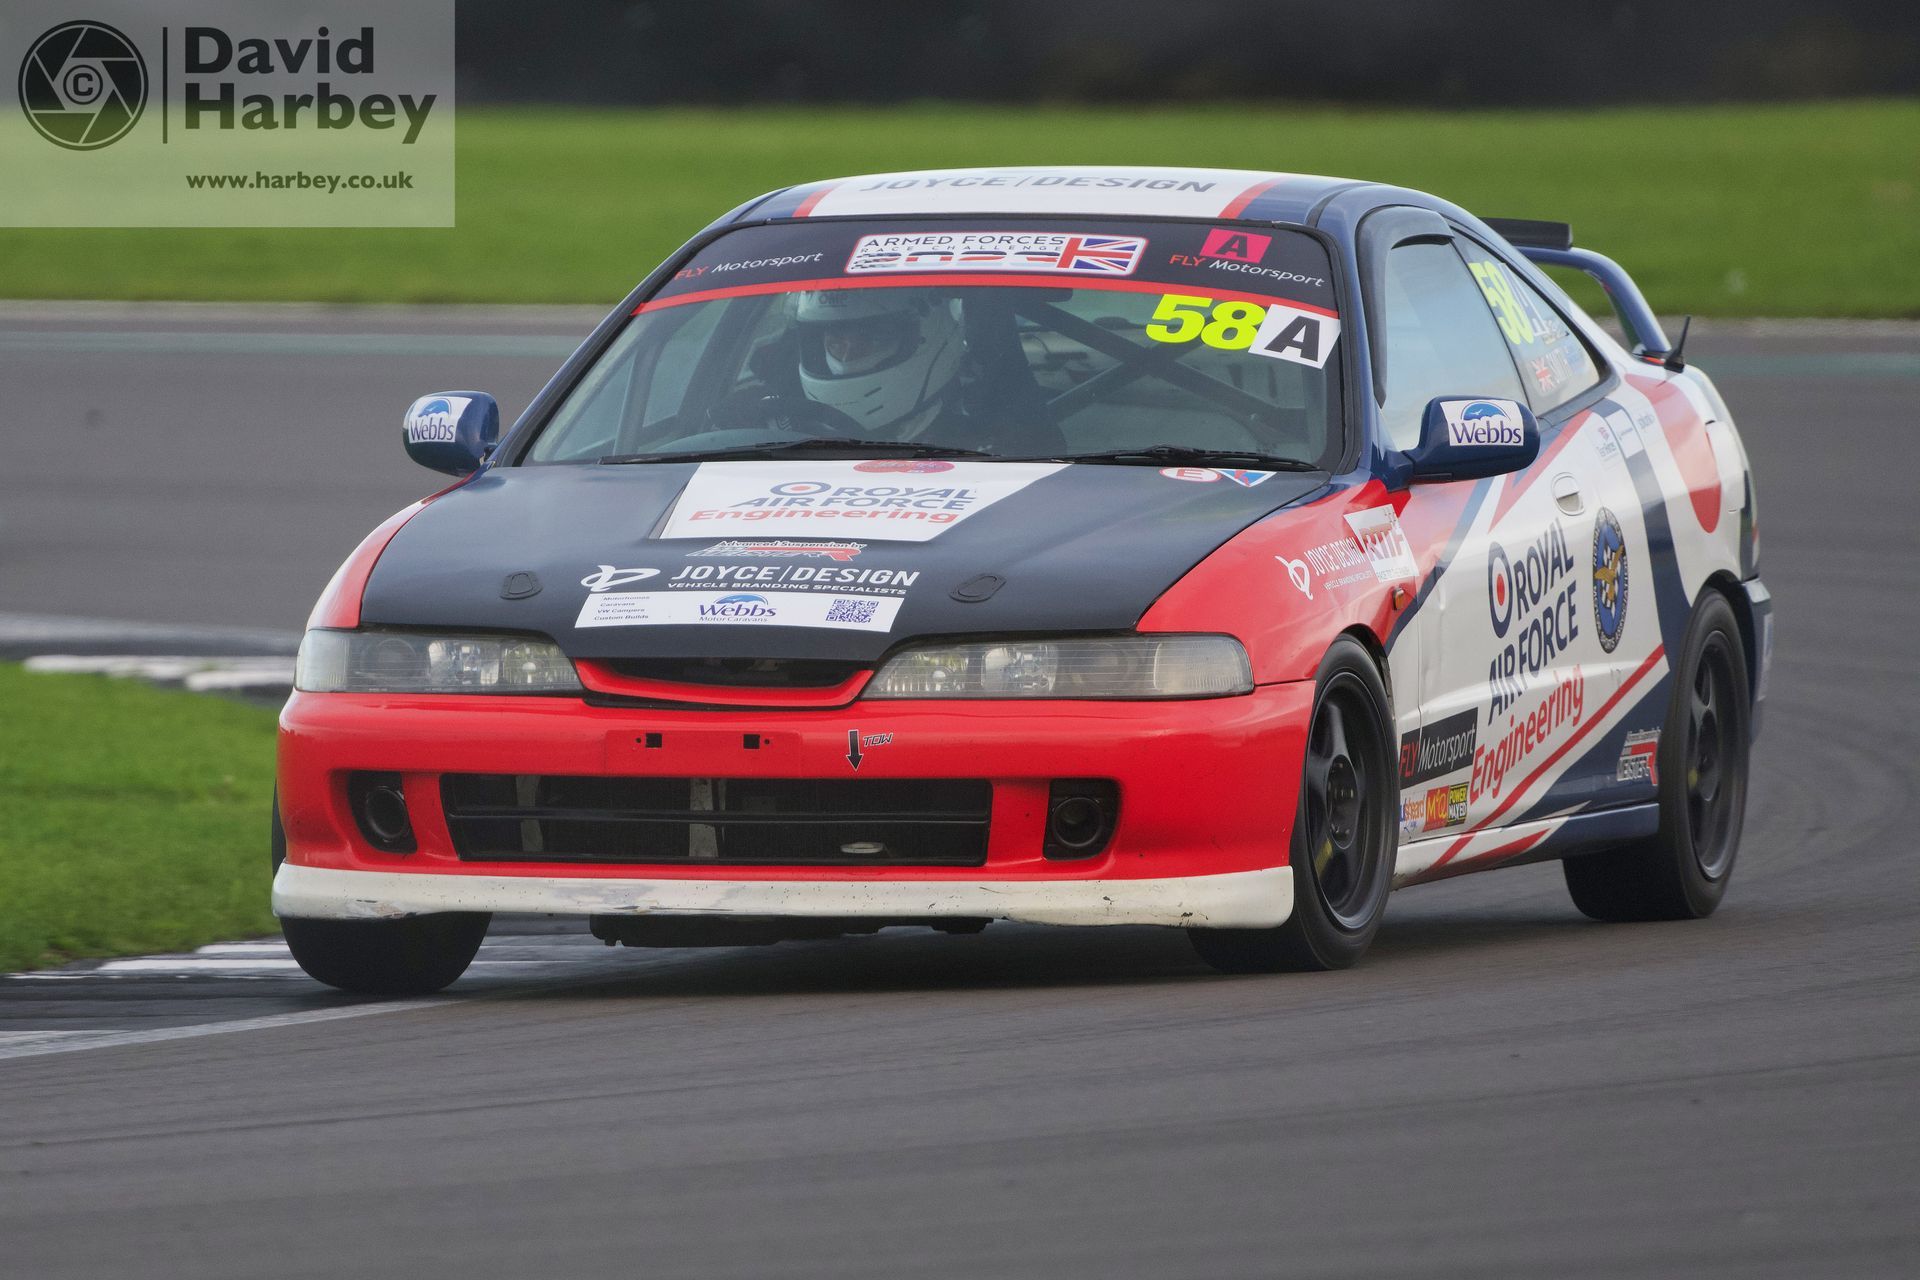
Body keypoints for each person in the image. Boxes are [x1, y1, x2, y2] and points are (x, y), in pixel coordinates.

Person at [793, 289, 967, 439]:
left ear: (929, 337)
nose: (846, 360)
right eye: (836, 344)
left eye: (869, 341)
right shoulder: (796, 432)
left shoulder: (977, 446)